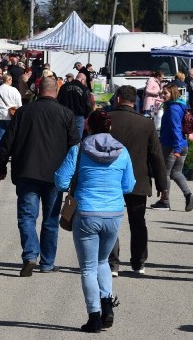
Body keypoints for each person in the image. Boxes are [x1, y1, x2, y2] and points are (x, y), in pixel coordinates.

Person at [55, 110, 135, 333]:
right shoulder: (123, 152)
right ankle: (107, 303)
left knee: (88, 267)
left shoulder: (78, 150)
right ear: (109, 128)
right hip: (113, 214)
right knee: (103, 262)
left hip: (87, 213)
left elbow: (61, 181)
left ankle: (94, 317)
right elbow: (128, 186)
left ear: (88, 127)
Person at [0, 77, 80, 276]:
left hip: (26, 172)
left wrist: (1, 168)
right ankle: (47, 262)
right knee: (50, 219)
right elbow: (74, 147)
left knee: (26, 217)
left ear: (38, 91)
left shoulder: (23, 112)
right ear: (56, 92)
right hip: (55, 176)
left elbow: (7, 142)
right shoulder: (66, 114)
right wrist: (75, 177)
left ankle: (30, 255)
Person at [107, 85, 168, 276]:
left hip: (110, 179)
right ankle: (138, 262)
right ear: (135, 101)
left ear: (117, 99)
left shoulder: (107, 119)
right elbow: (156, 156)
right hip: (137, 179)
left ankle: (112, 264)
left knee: (110, 221)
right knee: (138, 222)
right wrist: (162, 185)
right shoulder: (146, 123)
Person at [152, 84, 193, 212]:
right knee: (176, 173)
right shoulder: (180, 106)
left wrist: (176, 149)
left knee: (164, 172)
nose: (162, 95)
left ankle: (164, 202)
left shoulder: (173, 109)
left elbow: (175, 128)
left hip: (172, 145)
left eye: (165, 93)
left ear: (173, 94)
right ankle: (188, 195)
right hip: (182, 144)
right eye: (162, 93)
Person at [0, 72, 22, 150]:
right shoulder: (14, 90)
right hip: (10, 115)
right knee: (12, 135)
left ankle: (0, 153)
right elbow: (19, 104)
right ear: (9, 80)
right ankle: (10, 152)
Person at [58, 72, 92, 137]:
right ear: (82, 80)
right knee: (77, 140)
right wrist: (85, 116)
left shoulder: (64, 86)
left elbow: (58, 100)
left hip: (64, 115)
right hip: (78, 117)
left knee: (64, 138)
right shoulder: (85, 89)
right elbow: (88, 105)